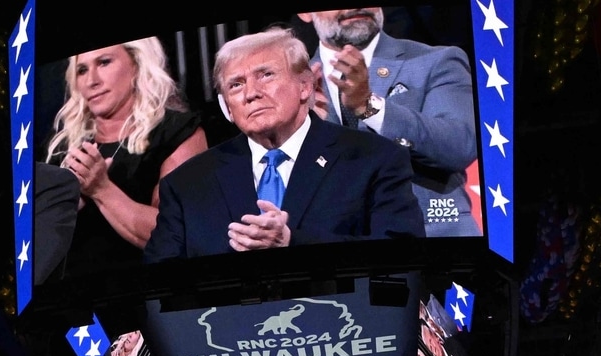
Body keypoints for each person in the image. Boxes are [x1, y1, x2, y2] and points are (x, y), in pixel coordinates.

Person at [143, 27, 424, 262]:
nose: (251, 93)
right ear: (226, 105)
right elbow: (159, 279)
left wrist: (293, 242)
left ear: (305, 86)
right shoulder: (187, 184)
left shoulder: (374, 159)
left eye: (266, 75)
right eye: (236, 85)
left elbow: (402, 255)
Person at [297, 8, 480, 236]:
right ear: (305, 14)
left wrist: (369, 107)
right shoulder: (293, 86)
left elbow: (459, 145)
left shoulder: (437, 60)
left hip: (434, 244)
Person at [42, 39, 207, 279]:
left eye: (104, 62)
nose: (91, 81)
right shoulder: (60, 147)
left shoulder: (177, 132)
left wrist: (101, 189)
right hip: (72, 297)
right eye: (82, 70)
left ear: (137, 64)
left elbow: (176, 233)